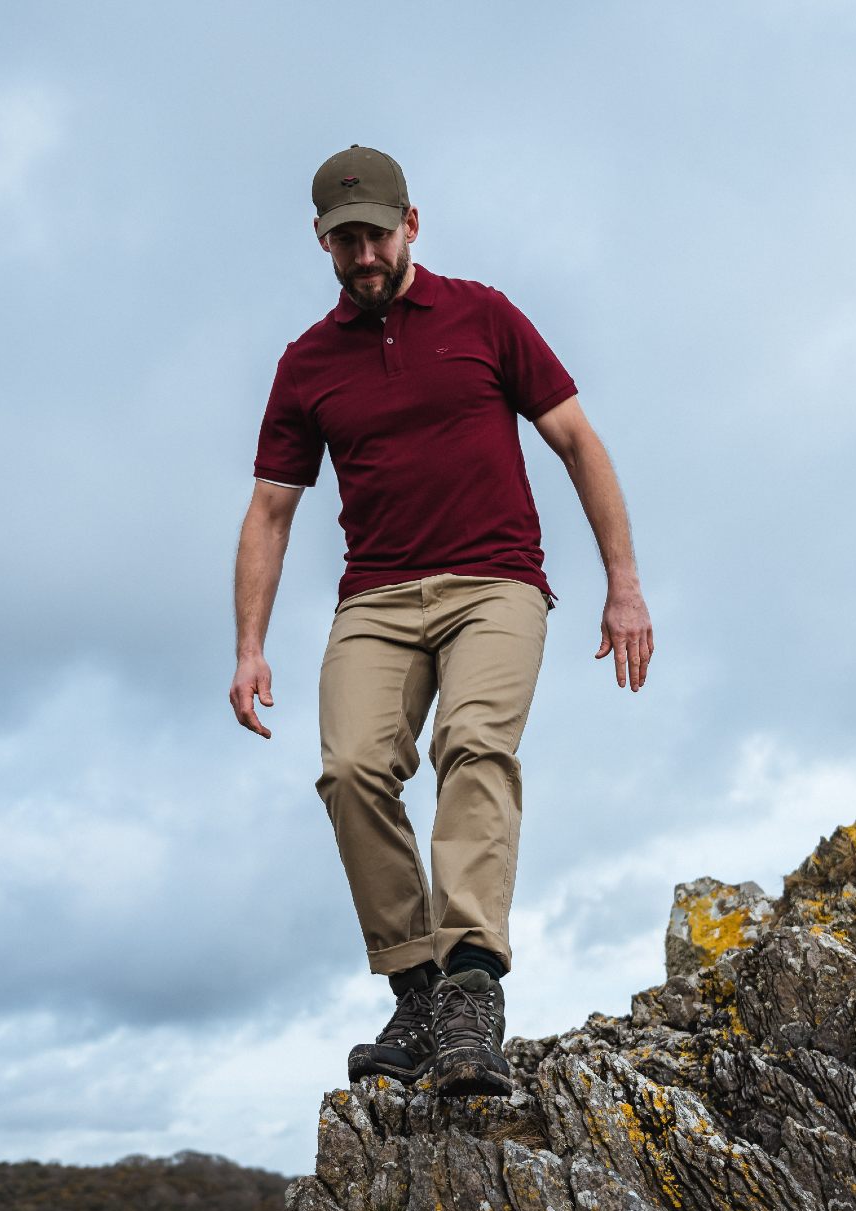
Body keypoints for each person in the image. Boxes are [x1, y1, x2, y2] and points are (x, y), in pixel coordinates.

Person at [230, 145, 653, 1098]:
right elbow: (270, 508)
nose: (363, 254)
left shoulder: (485, 316)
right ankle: (417, 989)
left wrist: (622, 585)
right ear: (322, 244)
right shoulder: (306, 364)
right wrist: (250, 646)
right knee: (349, 769)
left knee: (474, 746)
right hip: (376, 599)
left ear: (411, 224)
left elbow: (578, 442)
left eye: (376, 234)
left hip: (495, 583)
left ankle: (471, 987)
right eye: (344, 242)